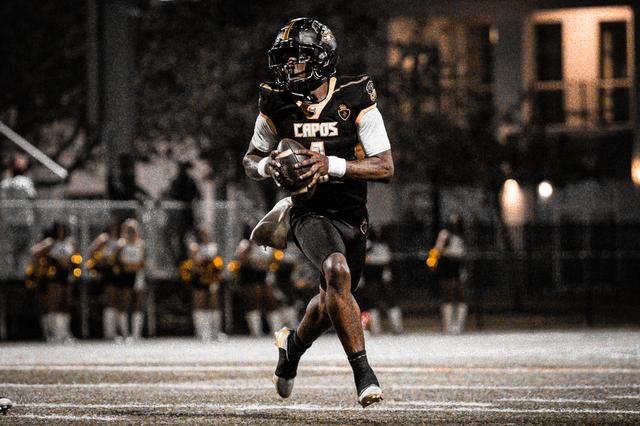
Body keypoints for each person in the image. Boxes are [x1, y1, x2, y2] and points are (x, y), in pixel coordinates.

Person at [242, 17, 394, 407]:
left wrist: (332, 165)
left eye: (298, 58)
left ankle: (291, 348)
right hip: (308, 212)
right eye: (285, 58)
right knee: (335, 271)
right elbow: (250, 159)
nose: (288, 66)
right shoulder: (276, 102)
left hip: (351, 214)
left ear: (322, 59)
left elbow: (385, 166)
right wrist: (269, 166)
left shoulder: (355, 98)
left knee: (331, 301)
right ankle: (363, 374)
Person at [30, 222, 76, 342]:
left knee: (65, 304)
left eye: (63, 229)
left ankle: (64, 332)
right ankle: (51, 333)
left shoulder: (69, 242)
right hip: (53, 275)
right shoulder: (50, 242)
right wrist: (48, 259)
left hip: (65, 275)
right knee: (53, 303)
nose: (61, 232)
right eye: (59, 230)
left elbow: (75, 258)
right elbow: (34, 251)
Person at [234, 225, 283, 336]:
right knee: (254, 300)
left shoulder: (266, 245)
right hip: (250, 275)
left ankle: (276, 329)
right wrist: (251, 259)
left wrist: (265, 263)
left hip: (263, 275)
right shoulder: (246, 244)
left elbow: (273, 259)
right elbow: (240, 258)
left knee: (271, 299)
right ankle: (256, 332)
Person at [180, 228, 225, 341]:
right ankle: (202, 332)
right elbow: (193, 260)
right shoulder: (195, 246)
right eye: (202, 234)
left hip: (212, 277)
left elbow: (218, 261)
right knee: (200, 302)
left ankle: (216, 331)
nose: (205, 235)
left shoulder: (213, 246)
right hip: (199, 277)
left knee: (214, 302)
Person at [358, 227, 403, 335]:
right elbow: (361, 260)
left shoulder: (384, 245)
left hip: (383, 275)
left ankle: (397, 327)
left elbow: (387, 258)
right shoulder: (365, 245)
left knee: (391, 299)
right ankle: (375, 329)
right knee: (372, 301)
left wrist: (374, 261)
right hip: (370, 276)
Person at [0, 154, 36, 274]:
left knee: (12, 250)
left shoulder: (5, 183)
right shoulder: (25, 182)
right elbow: (32, 196)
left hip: (10, 222)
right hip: (24, 222)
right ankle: (21, 273)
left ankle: (12, 273)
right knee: (25, 249)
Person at [432, 213, 467, 334]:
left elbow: (463, 251)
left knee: (461, 293)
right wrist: (433, 262)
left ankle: (459, 325)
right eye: (453, 223)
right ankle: (448, 325)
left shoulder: (461, 235)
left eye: (457, 223)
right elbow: (437, 249)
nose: (455, 225)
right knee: (448, 293)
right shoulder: (444, 234)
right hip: (447, 264)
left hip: (458, 265)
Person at [88, 218, 121, 340]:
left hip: (117, 271)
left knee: (116, 300)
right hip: (107, 271)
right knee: (110, 299)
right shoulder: (104, 237)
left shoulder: (120, 238)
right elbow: (92, 250)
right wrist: (100, 261)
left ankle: (114, 331)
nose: (114, 228)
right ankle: (109, 332)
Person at [115, 218, 146, 340]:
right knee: (124, 301)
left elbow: (144, 261)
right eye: (129, 230)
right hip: (124, 275)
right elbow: (117, 260)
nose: (131, 233)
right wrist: (126, 266)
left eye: (133, 230)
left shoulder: (141, 244)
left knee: (138, 302)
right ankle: (124, 333)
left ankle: (136, 333)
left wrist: (134, 267)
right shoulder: (121, 244)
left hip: (137, 275)